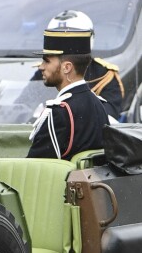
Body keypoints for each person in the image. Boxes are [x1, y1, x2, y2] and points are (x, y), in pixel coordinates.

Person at [28, 28, 109, 160]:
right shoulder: (99, 105)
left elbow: (34, 166)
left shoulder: (60, 112)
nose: (41, 67)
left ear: (67, 67)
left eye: (47, 61)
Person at [47, 10, 124, 120]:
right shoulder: (46, 70)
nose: (63, 44)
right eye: (56, 39)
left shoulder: (105, 75)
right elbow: (25, 106)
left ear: (88, 39)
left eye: (71, 38)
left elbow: (108, 116)